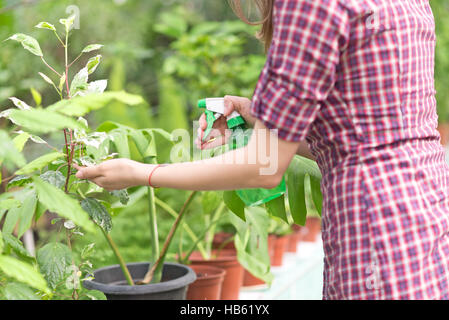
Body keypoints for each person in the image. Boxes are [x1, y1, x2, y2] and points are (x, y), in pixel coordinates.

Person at [74, 0, 449, 299]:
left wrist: (145, 174)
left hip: (375, 231)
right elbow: (357, 139)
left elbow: (264, 165)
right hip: (425, 217)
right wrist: (256, 113)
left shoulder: (310, 5)